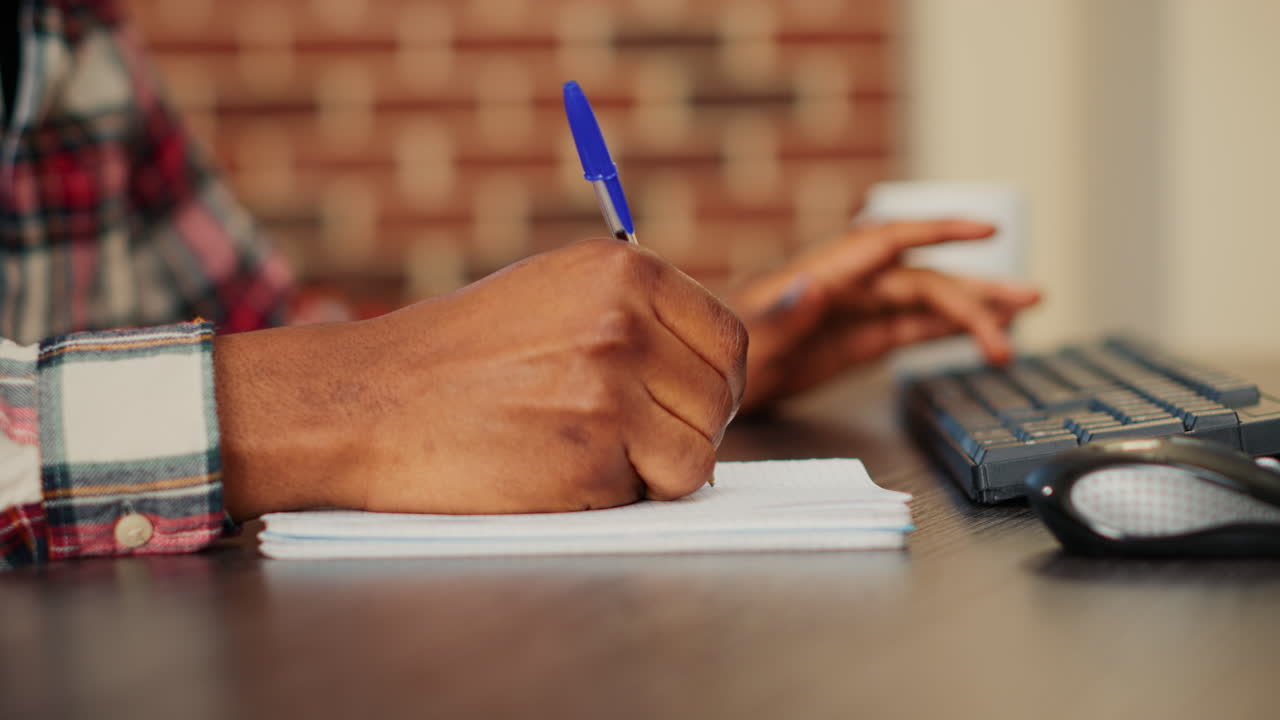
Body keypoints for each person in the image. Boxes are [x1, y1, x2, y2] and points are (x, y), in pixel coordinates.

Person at [0, 0, 1039, 569]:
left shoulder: (79, 37)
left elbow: (274, 333)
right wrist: (359, 399)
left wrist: (700, 350)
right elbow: (319, 385)